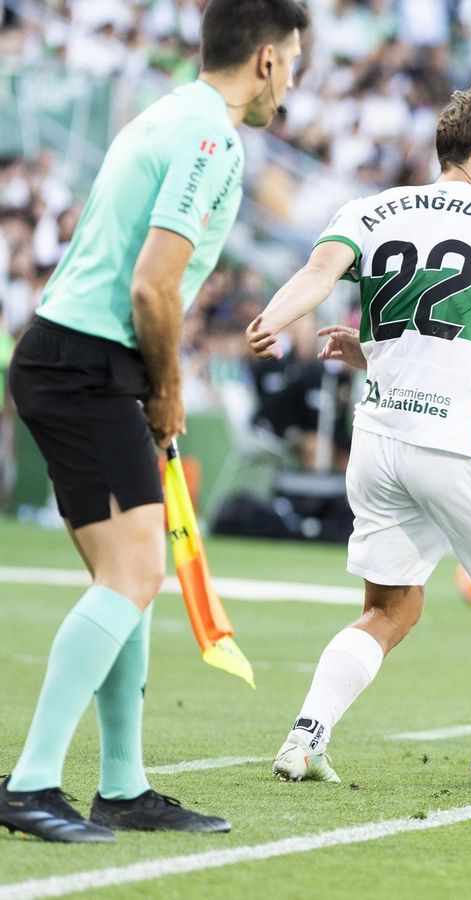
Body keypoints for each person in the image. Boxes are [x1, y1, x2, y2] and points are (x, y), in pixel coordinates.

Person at [0, 0, 307, 843]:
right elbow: (151, 285)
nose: (295, 78)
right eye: (295, 60)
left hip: (76, 358)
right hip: (88, 364)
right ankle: (28, 785)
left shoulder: (166, 114)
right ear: (270, 61)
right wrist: (167, 389)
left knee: (129, 582)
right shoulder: (212, 137)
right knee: (132, 576)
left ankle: (124, 786)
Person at [247, 86, 471, 789]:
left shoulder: (369, 208)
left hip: (375, 442)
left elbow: (319, 274)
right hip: (454, 441)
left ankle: (306, 737)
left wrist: (272, 320)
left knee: (389, 608)